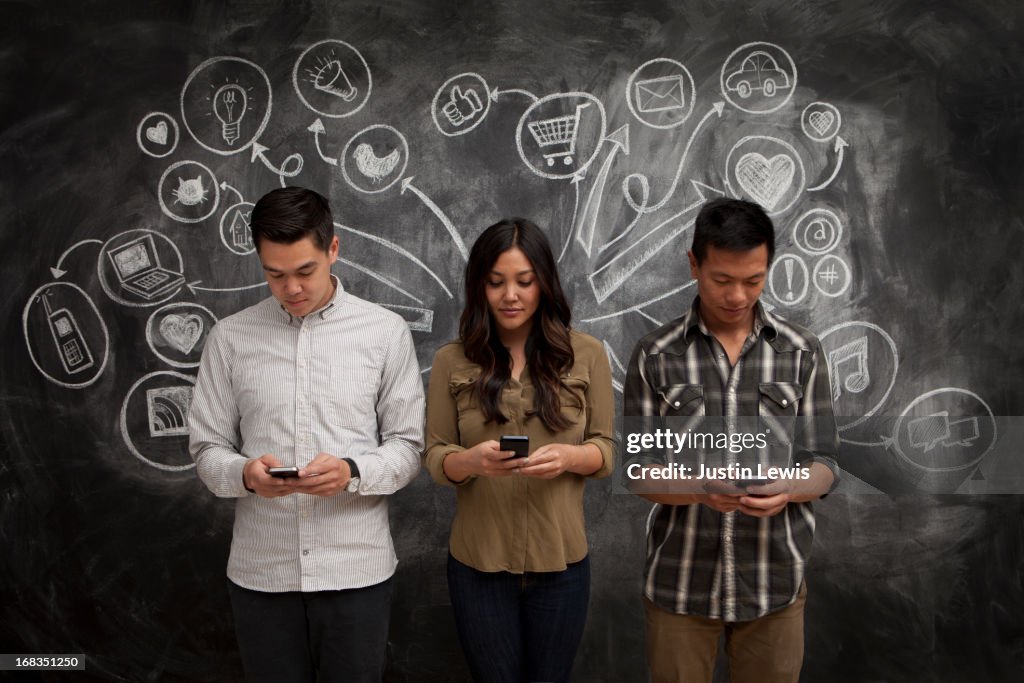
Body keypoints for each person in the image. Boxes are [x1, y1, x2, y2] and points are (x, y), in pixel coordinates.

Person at [188, 186, 424, 683]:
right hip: (261, 573)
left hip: (356, 572)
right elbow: (207, 449)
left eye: (305, 271)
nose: (291, 288)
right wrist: (246, 475)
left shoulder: (384, 332)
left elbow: (408, 447)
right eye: (275, 274)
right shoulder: (229, 339)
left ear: (332, 249)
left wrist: (353, 471)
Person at [623, 198, 840, 683]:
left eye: (753, 280)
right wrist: (700, 488)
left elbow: (825, 461)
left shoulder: (801, 351)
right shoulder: (655, 355)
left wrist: (789, 487)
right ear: (694, 263)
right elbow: (637, 470)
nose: (738, 295)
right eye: (722, 279)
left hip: (774, 581)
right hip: (680, 582)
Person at [423, 218, 615, 683]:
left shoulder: (587, 354)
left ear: (544, 283)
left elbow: (607, 452)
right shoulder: (452, 359)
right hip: (478, 567)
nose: (511, 295)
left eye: (525, 282)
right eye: (496, 282)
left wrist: (569, 458)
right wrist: (469, 462)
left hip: (562, 564)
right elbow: (433, 456)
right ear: (479, 287)